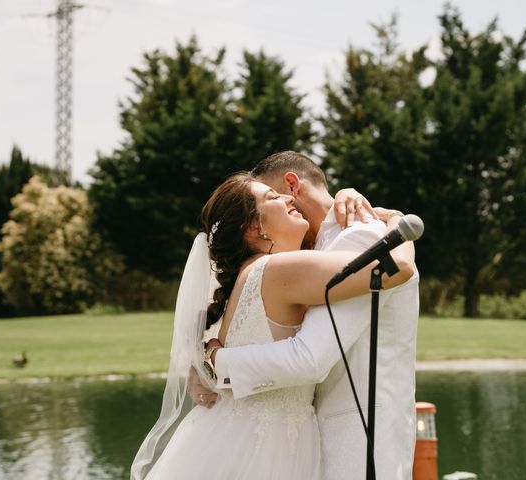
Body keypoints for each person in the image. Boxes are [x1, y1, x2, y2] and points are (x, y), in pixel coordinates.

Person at [131, 169, 415, 480]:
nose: (287, 197)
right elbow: (396, 268)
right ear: (253, 227)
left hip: (240, 437)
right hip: (262, 447)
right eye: (272, 197)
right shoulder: (278, 269)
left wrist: (210, 362)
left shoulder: (251, 274)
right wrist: (397, 222)